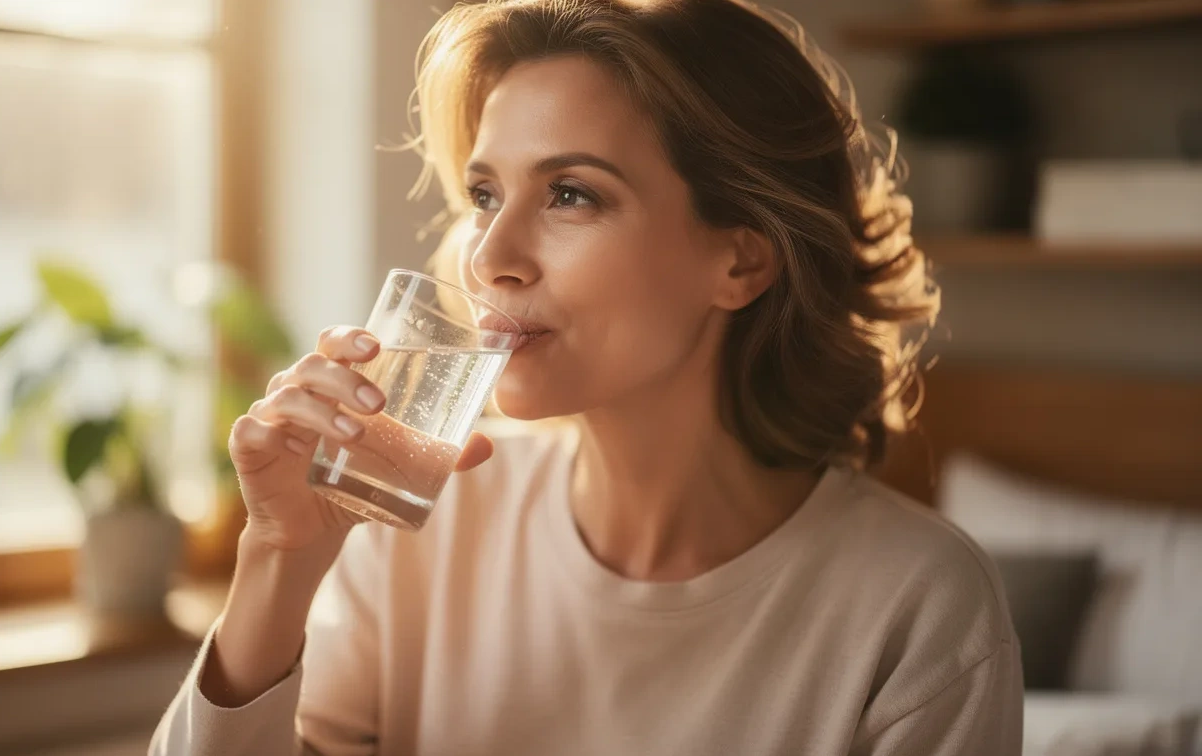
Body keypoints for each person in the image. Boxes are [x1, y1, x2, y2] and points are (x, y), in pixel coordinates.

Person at [150, 1, 1023, 754]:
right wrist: (279, 562)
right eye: (486, 194)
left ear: (742, 261)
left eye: (571, 193)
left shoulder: (919, 609)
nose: (490, 256)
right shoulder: (413, 527)